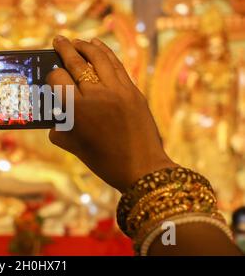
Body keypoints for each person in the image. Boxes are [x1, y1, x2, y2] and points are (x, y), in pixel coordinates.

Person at [46, 35, 243, 256]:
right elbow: (187, 93)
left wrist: (146, 170)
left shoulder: (231, 71)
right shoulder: (198, 69)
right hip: (194, 122)